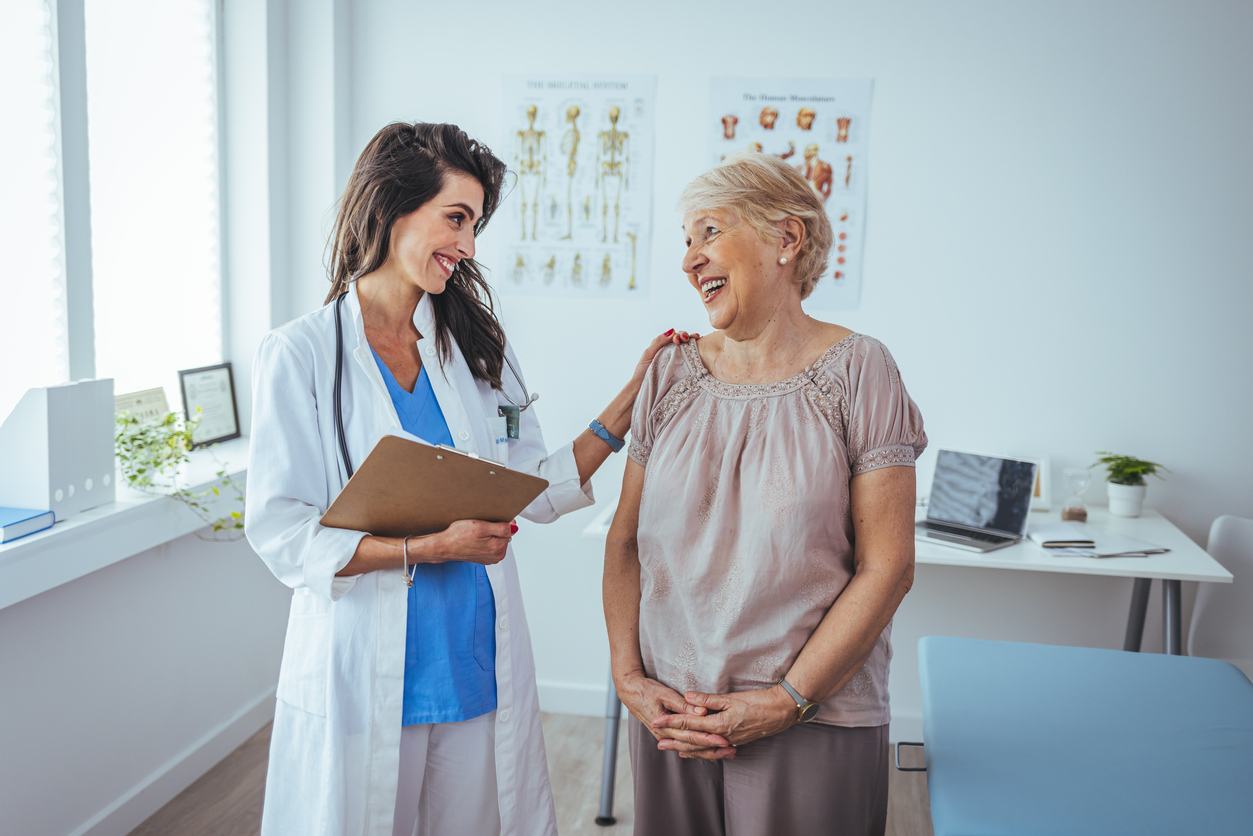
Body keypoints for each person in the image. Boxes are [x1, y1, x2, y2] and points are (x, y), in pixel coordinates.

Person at [246, 121, 694, 836]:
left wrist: (628, 403)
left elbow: (535, 489)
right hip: (363, 668)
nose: (470, 246)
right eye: (456, 218)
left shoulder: (473, 347)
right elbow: (281, 530)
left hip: (471, 659)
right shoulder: (300, 354)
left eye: (476, 224)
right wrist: (428, 548)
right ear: (393, 207)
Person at [603, 151, 927, 835]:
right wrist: (630, 679)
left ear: (786, 239)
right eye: (685, 241)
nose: (690, 260)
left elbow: (887, 567)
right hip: (671, 717)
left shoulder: (859, 370)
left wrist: (785, 700)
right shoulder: (668, 373)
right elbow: (625, 541)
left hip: (810, 718)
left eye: (709, 232)